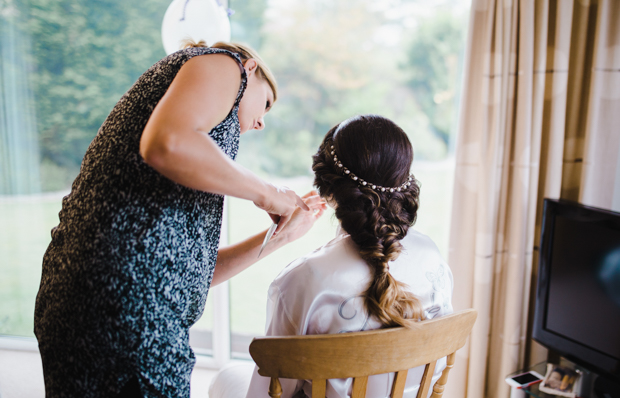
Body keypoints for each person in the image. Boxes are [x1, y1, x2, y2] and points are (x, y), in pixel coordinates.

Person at [33, 41, 326, 398]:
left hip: (93, 298)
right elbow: (167, 143)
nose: (262, 122)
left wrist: (276, 238)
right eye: (266, 102)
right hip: (128, 308)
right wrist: (269, 193)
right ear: (250, 69)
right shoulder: (225, 64)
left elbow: (190, 274)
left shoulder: (192, 156)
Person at [209, 114, 454, 398]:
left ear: (328, 188)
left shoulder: (303, 281)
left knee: (226, 376)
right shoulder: (431, 255)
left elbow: (270, 393)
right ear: (405, 182)